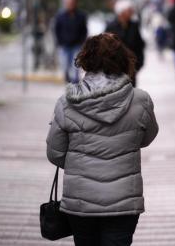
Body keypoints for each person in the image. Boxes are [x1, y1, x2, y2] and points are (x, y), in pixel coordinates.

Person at [46, 33, 158, 246]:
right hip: (123, 201)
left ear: (85, 60)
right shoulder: (140, 100)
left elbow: (55, 153)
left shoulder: (66, 103)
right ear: (123, 60)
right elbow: (147, 137)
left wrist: (80, 162)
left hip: (80, 202)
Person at [106, 0, 145, 86]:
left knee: (131, 89)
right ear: (121, 12)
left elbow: (140, 44)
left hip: (131, 65)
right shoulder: (111, 26)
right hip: (116, 67)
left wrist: (140, 62)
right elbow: (105, 47)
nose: (132, 12)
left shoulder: (134, 26)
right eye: (129, 10)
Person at [54, 0, 87, 83]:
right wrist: (60, 42)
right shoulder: (60, 16)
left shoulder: (81, 16)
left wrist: (82, 41)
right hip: (65, 45)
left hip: (77, 44)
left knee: (76, 64)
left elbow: (84, 30)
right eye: (69, 3)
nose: (70, 5)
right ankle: (67, 77)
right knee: (65, 64)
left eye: (72, 3)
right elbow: (57, 30)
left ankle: (75, 80)